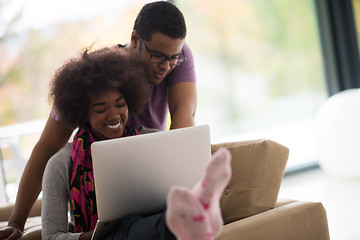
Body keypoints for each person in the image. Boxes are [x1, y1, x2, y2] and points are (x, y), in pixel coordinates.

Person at [0, 2, 197, 239]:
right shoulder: (93, 76)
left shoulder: (177, 57)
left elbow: (184, 118)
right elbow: (46, 148)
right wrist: (16, 222)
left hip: (143, 168)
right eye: (157, 56)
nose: (166, 66)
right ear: (135, 39)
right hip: (96, 179)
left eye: (174, 58)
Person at [41, 47, 231, 240]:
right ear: (82, 113)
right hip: (103, 238)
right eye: (100, 109)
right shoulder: (61, 163)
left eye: (120, 104)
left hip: (151, 222)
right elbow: (51, 237)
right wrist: (92, 236)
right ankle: (192, 217)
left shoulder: (153, 141)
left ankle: (192, 212)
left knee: (145, 220)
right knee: (128, 229)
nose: (114, 115)